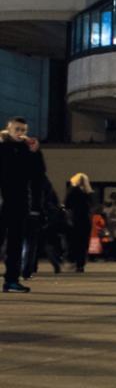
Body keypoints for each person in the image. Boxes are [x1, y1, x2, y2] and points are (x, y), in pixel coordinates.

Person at [0, 117, 45, 293]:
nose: (20, 133)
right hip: (3, 200)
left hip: (19, 202)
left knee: (15, 243)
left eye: (23, 130)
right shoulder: (3, 147)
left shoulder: (28, 150)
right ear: (9, 129)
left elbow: (38, 176)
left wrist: (35, 153)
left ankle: (11, 280)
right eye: (17, 129)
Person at [23, 174, 65, 277]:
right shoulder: (44, 183)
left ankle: (26, 267)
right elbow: (51, 201)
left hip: (27, 213)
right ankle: (28, 268)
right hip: (39, 216)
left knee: (26, 242)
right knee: (36, 243)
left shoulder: (21, 179)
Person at [64, 173, 94, 272]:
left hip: (75, 219)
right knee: (83, 243)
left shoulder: (72, 190)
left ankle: (72, 261)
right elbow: (91, 206)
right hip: (86, 220)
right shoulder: (88, 192)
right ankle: (80, 264)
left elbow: (67, 205)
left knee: (73, 242)